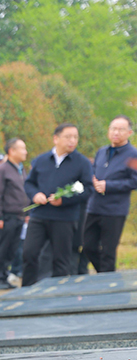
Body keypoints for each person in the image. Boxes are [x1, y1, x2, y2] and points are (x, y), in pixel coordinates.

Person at [22, 123, 94, 286]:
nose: (72, 141)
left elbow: (89, 189)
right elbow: (29, 183)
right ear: (56, 139)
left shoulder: (82, 162)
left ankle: (58, 296)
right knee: (29, 253)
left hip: (65, 218)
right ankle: (26, 291)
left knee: (61, 259)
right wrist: (35, 195)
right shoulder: (41, 160)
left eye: (75, 137)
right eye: (68, 137)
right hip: (39, 216)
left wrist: (64, 200)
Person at [83, 116, 137, 272]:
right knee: (88, 246)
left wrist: (109, 186)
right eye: (113, 128)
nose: (116, 132)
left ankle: (108, 285)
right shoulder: (102, 151)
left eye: (121, 129)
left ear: (129, 132)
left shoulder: (133, 154)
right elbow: (93, 171)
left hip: (114, 210)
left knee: (108, 252)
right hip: (94, 207)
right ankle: (107, 276)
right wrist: (91, 180)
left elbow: (134, 181)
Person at [0, 138, 29, 289]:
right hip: (6, 216)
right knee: (2, 248)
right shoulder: (2, 170)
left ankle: (3, 277)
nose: (25, 152)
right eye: (22, 148)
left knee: (12, 249)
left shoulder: (20, 169)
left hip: (19, 216)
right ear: (12, 151)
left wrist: (27, 212)